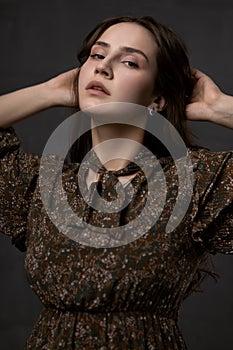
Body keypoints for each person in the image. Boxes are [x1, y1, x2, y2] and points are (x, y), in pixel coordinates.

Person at [0, 15, 232, 349]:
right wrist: (48, 92)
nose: (102, 68)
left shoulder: (194, 183)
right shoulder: (41, 186)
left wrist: (219, 107)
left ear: (157, 99)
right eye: (97, 55)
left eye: (128, 62)